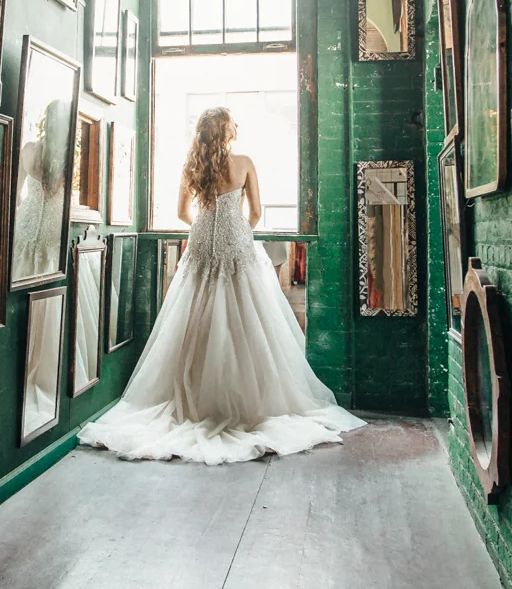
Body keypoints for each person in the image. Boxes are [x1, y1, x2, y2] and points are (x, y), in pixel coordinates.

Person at [80, 108, 364, 464]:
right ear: (228, 131)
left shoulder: (192, 166)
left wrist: (204, 223)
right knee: (247, 319)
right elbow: (256, 212)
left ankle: (196, 401)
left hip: (201, 242)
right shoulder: (244, 163)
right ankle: (249, 403)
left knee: (193, 318)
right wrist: (237, 228)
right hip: (237, 242)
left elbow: (183, 212)